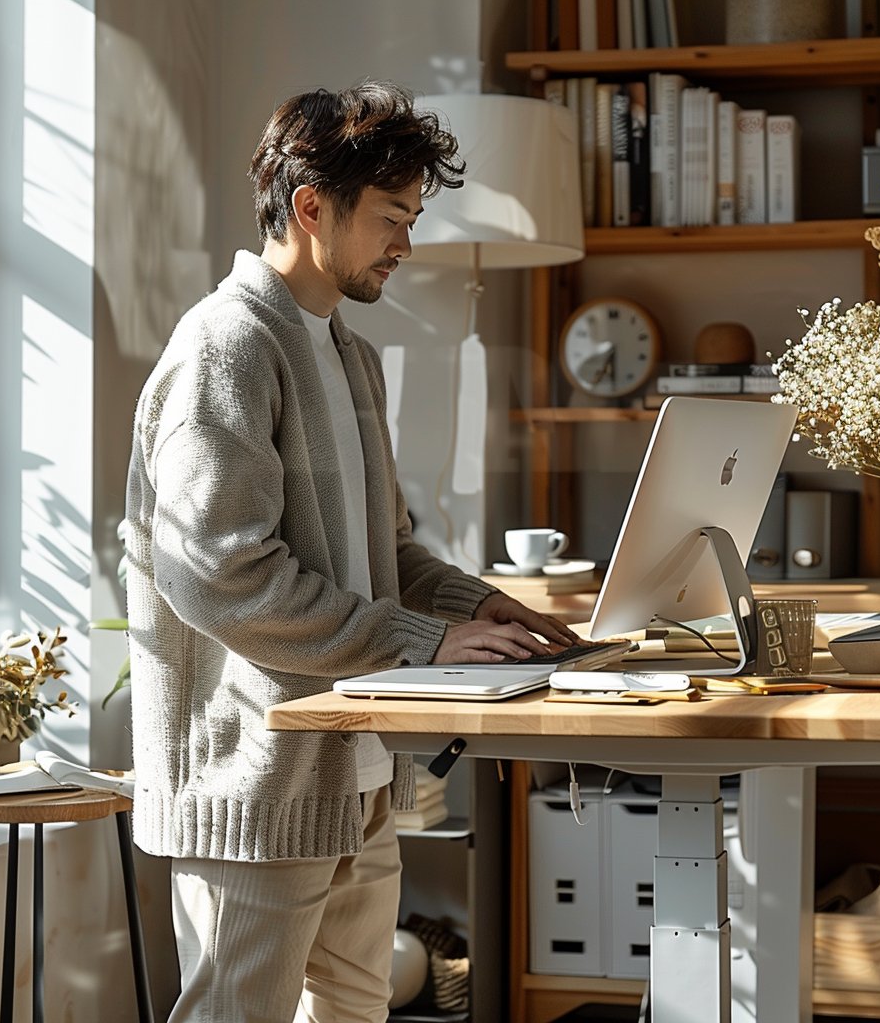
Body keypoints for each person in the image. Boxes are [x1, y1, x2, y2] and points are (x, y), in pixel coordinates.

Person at [124, 80, 579, 1023]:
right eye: (392, 218)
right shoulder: (226, 347)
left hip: (355, 774)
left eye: (412, 218)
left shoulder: (348, 354)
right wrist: (422, 644)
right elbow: (221, 572)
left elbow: (390, 554)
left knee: (355, 1008)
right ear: (310, 206)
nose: (407, 245)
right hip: (254, 781)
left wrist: (475, 606)